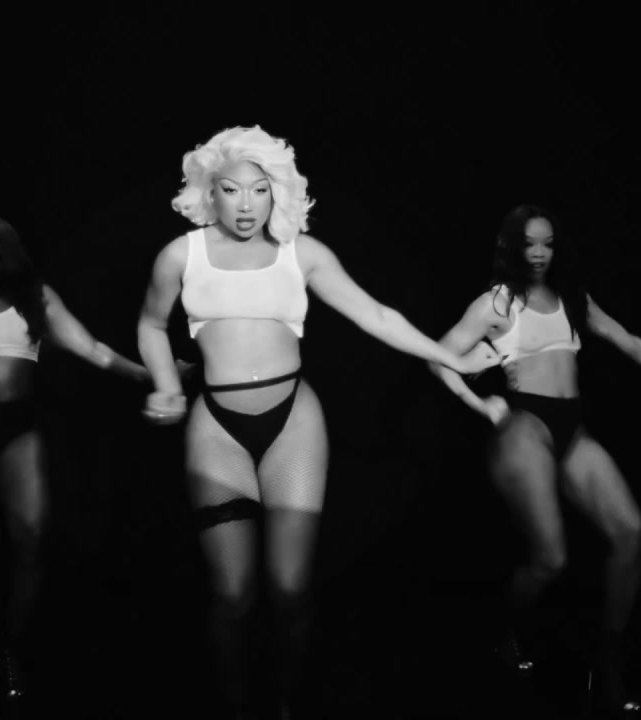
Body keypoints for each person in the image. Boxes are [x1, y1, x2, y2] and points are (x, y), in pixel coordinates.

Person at [136, 126, 500, 718]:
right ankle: (235, 706)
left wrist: (451, 358)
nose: (247, 204)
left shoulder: (301, 253)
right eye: (232, 190)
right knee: (232, 595)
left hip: (293, 423)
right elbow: (151, 325)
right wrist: (165, 384)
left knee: (289, 589)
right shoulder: (182, 255)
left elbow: (376, 314)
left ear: (277, 191)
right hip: (216, 426)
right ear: (210, 191)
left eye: (259, 190)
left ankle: (285, 703)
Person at [430, 204, 641, 716]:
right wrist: (479, 404)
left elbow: (629, 342)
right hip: (524, 426)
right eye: (529, 243)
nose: (538, 252)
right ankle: (505, 631)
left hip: (572, 429)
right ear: (512, 246)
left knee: (630, 533)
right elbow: (437, 355)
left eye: (548, 242)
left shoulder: (573, 298)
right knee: (550, 558)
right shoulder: (497, 302)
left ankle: (609, 661)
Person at [0, 216, 150, 699]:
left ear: (10, 257)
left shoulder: (36, 300)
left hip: (19, 428)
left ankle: (13, 645)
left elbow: (92, 350)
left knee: (32, 536)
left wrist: (151, 375)